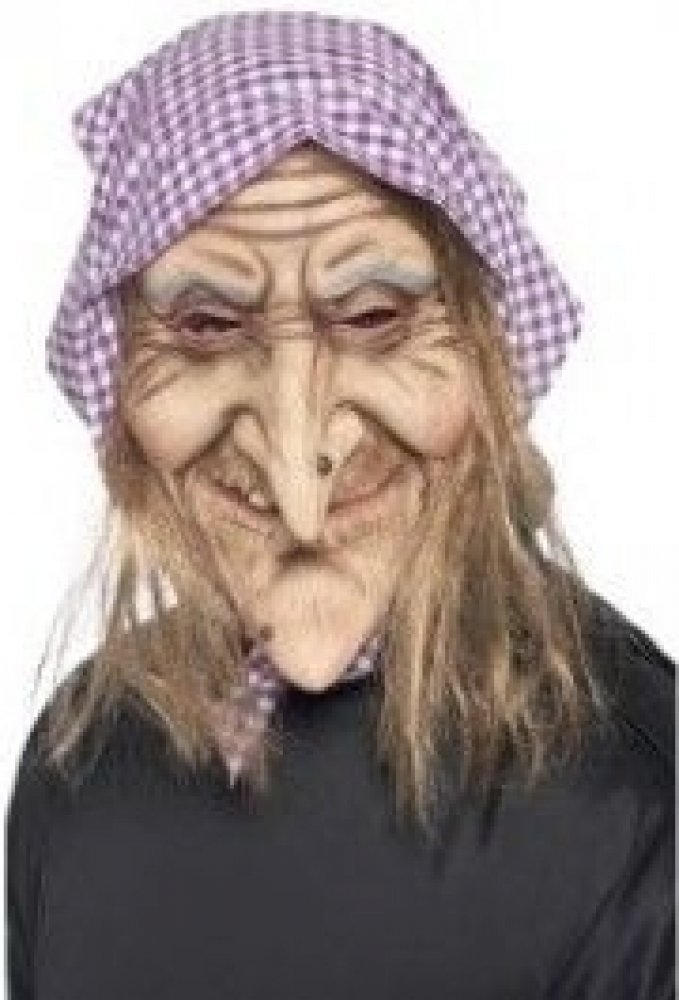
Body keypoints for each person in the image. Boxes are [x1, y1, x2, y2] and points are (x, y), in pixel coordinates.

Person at [5, 11, 675, 1000]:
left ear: (487, 360)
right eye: (204, 325)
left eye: (372, 316)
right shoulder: (81, 766)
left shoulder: (633, 796)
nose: (298, 486)